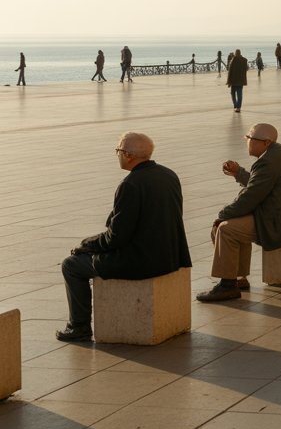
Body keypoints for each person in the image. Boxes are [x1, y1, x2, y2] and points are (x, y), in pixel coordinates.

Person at [57, 132, 191, 341]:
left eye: (118, 150)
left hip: (141, 261)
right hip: (170, 255)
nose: (117, 154)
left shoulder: (131, 184)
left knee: (71, 265)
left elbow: (116, 238)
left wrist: (87, 244)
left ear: (128, 155)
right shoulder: (168, 174)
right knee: (84, 256)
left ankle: (79, 327)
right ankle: (79, 326)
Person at [197, 123, 281, 302]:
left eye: (249, 138)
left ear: (266, 142)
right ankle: (238, 279)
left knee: (226, 229)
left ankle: (227, 285)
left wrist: (222, 214)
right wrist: (238, 173)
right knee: (233, 225)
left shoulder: (268, 161)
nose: (246, 141)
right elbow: (260, 184)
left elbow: (250, 197)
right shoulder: (277, 154)